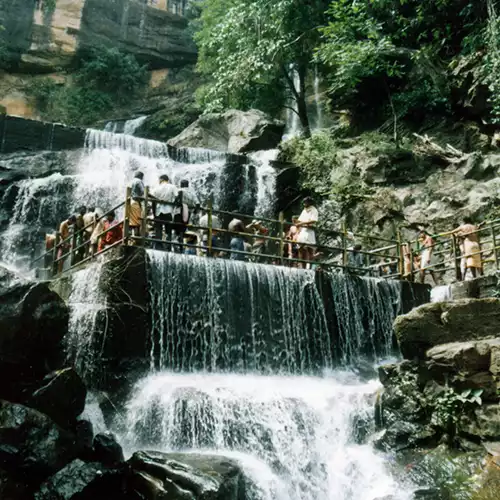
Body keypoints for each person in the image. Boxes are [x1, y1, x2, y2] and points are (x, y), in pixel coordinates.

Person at [150, 174, 178, 250]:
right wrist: (174, 205)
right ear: (167, 180)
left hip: (158, 211)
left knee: (158, 228)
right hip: (168, 210)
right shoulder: (172, 187)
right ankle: (168, 246)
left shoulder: (156, 188)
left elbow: (152, 199)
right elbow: (177, 196)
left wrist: (154, 213)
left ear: (161, 179)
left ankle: (158, 246)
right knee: (168, 229)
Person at [174, 180, 199, 251]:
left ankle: (176, 244)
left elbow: (175, 200)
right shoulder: (192, 193)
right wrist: (195, 212)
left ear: (181, 184)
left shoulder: (179, 190)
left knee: (176, 228)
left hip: (179, 211)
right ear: (187, 185)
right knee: (183, 229)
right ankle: (181, 245)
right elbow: (197, 204)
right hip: (188, 212)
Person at [296, 197, 319, 268]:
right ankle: (301, 266)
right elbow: (300, 220)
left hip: (309, 231)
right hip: (303, 231)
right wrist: (298, 228)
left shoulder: (314, 210)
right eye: (304, 202)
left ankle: (310, 266)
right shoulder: (304, 210)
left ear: (309, 202)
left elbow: (313, 220)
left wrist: (302, 223)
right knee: (300, 248)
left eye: (305, 202)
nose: (304, 203)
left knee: (310, 249)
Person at [129, 172, 145, 242]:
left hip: (129, 202)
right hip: (135, 202)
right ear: (141, 176)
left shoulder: (130, 181)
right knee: (137, 220)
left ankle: (131, 236)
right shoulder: (139, 181)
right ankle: (136, 237)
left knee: (131, 220)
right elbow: (143, 191)